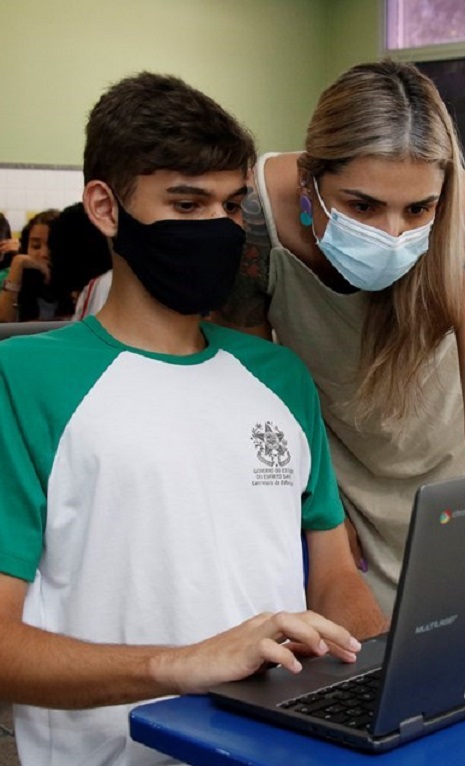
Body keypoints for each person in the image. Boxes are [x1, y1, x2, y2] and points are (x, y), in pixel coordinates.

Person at [0, 72, 385, 766]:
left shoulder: (279, 376)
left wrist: (383, 677)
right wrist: (181, 665)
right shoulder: (24, 380)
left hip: (273, 748)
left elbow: (335, 576)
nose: (216, 227)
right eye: (186, 203)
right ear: (106, 208)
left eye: (231, 206)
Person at [214, 60, 465, 615]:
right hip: (326, 479)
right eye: (361, 205)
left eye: (418, 209)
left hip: (450, 475)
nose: (392, 234)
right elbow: (252, 391)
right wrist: (318, 504)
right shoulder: (256, 214)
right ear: (309, 180)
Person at [0, 209, 66, 322]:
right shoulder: (14, 275)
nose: (44, 253)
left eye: (53, 244)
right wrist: (17, 263)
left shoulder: (84, 284)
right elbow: (3, 323)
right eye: (36, 246)